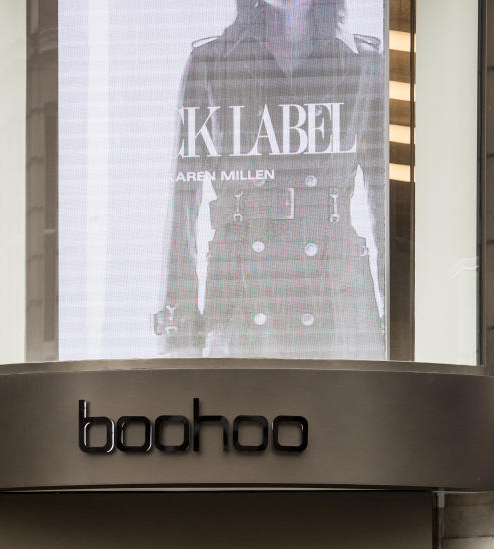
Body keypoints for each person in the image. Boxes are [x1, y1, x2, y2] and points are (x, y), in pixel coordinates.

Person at [154, 0, 387, 359]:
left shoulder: (364, 63)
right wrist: (179, 329)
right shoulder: (210, 63)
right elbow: (183, 200)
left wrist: (400, 317)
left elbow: (384, 197)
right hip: (242, 300)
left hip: (336, 301)